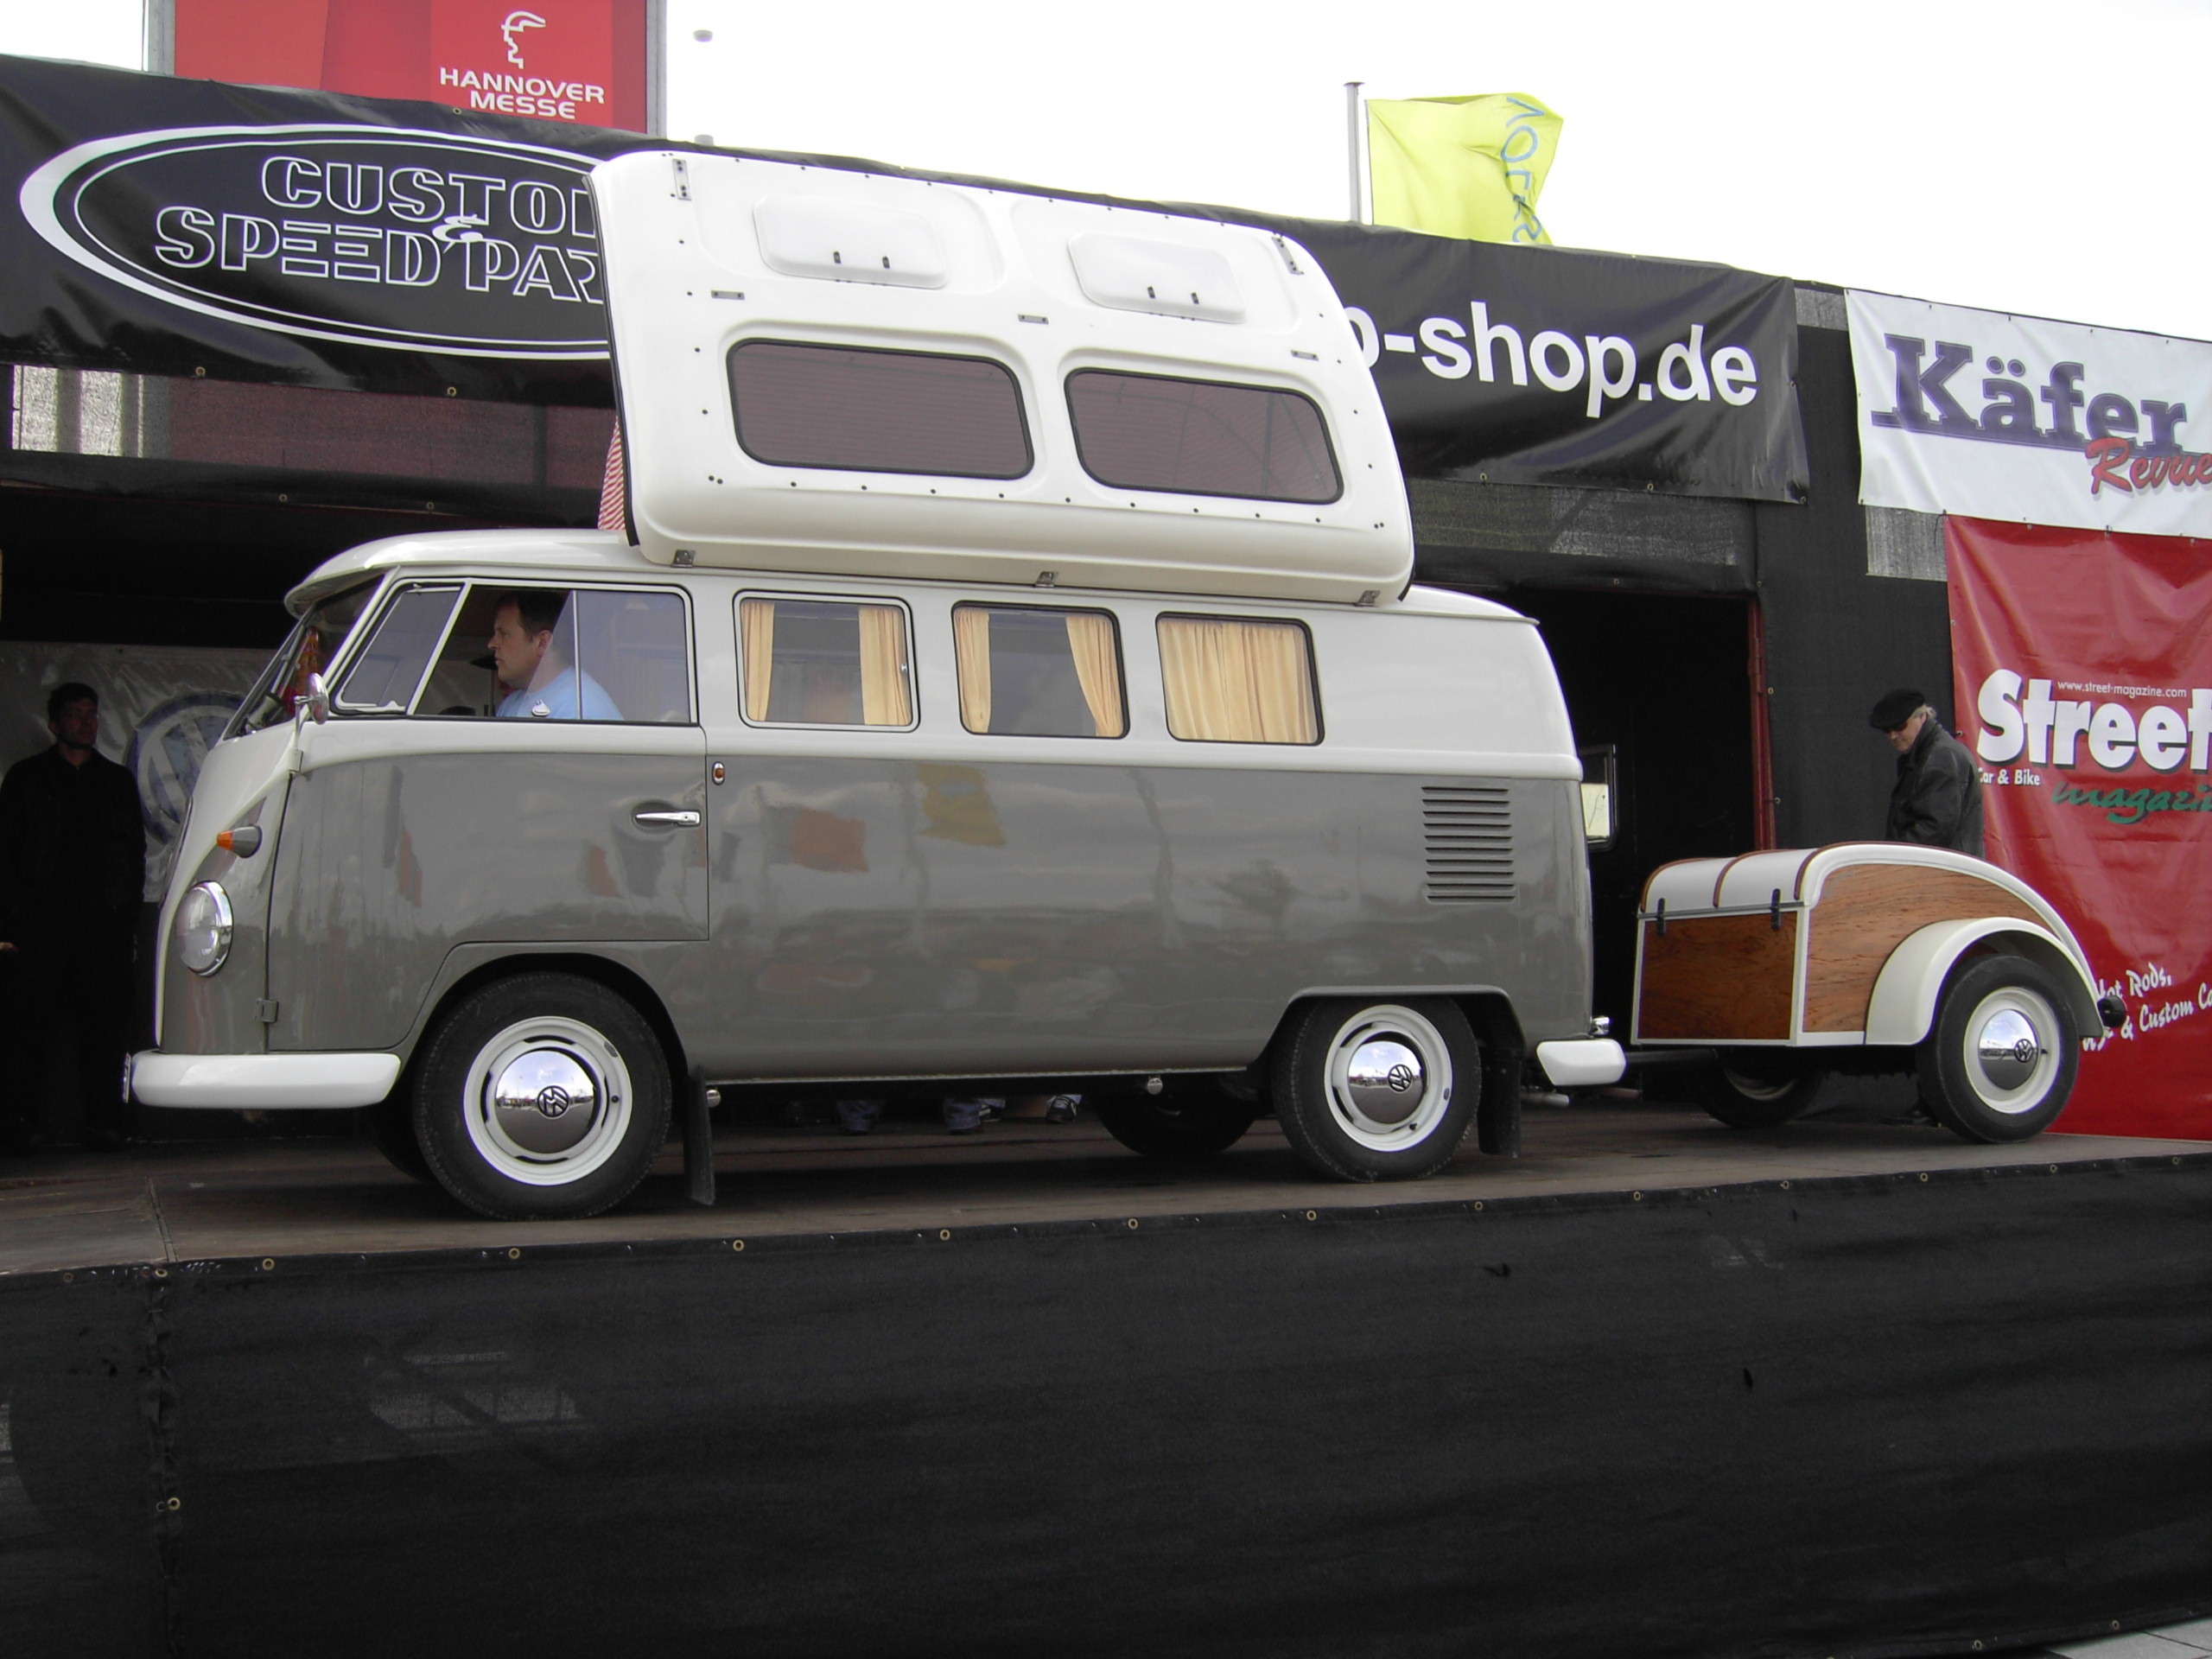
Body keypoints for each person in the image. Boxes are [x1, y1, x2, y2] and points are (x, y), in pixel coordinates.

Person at [0, 683, 146, 1150]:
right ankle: (21, 1125)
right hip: (41, 924)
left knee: (104, 1028)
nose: (86, 722)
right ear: (54, 722)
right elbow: (6, 853)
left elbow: (135, 854)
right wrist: (12, 921)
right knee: (27, 1029)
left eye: (92, 713)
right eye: (76, 714)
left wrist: (125, 918)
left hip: (102, 925)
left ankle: (105, 1124)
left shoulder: (115, 781)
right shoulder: (27, 778)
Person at [1870, 687, 1985, 856]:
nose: (1893, 736)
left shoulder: (1941, 757)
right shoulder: (1929, 753)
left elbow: (1935, 829)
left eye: (1900, 726)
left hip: (1943, 867)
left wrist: (1894, 858)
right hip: (1939, 865)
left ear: (1922, 716)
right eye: (1887, 730)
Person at [488, 590, 621, 720]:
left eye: (504, 634)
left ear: (542, 642)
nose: (492, 644)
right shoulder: (513, 702)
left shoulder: (579, 709)